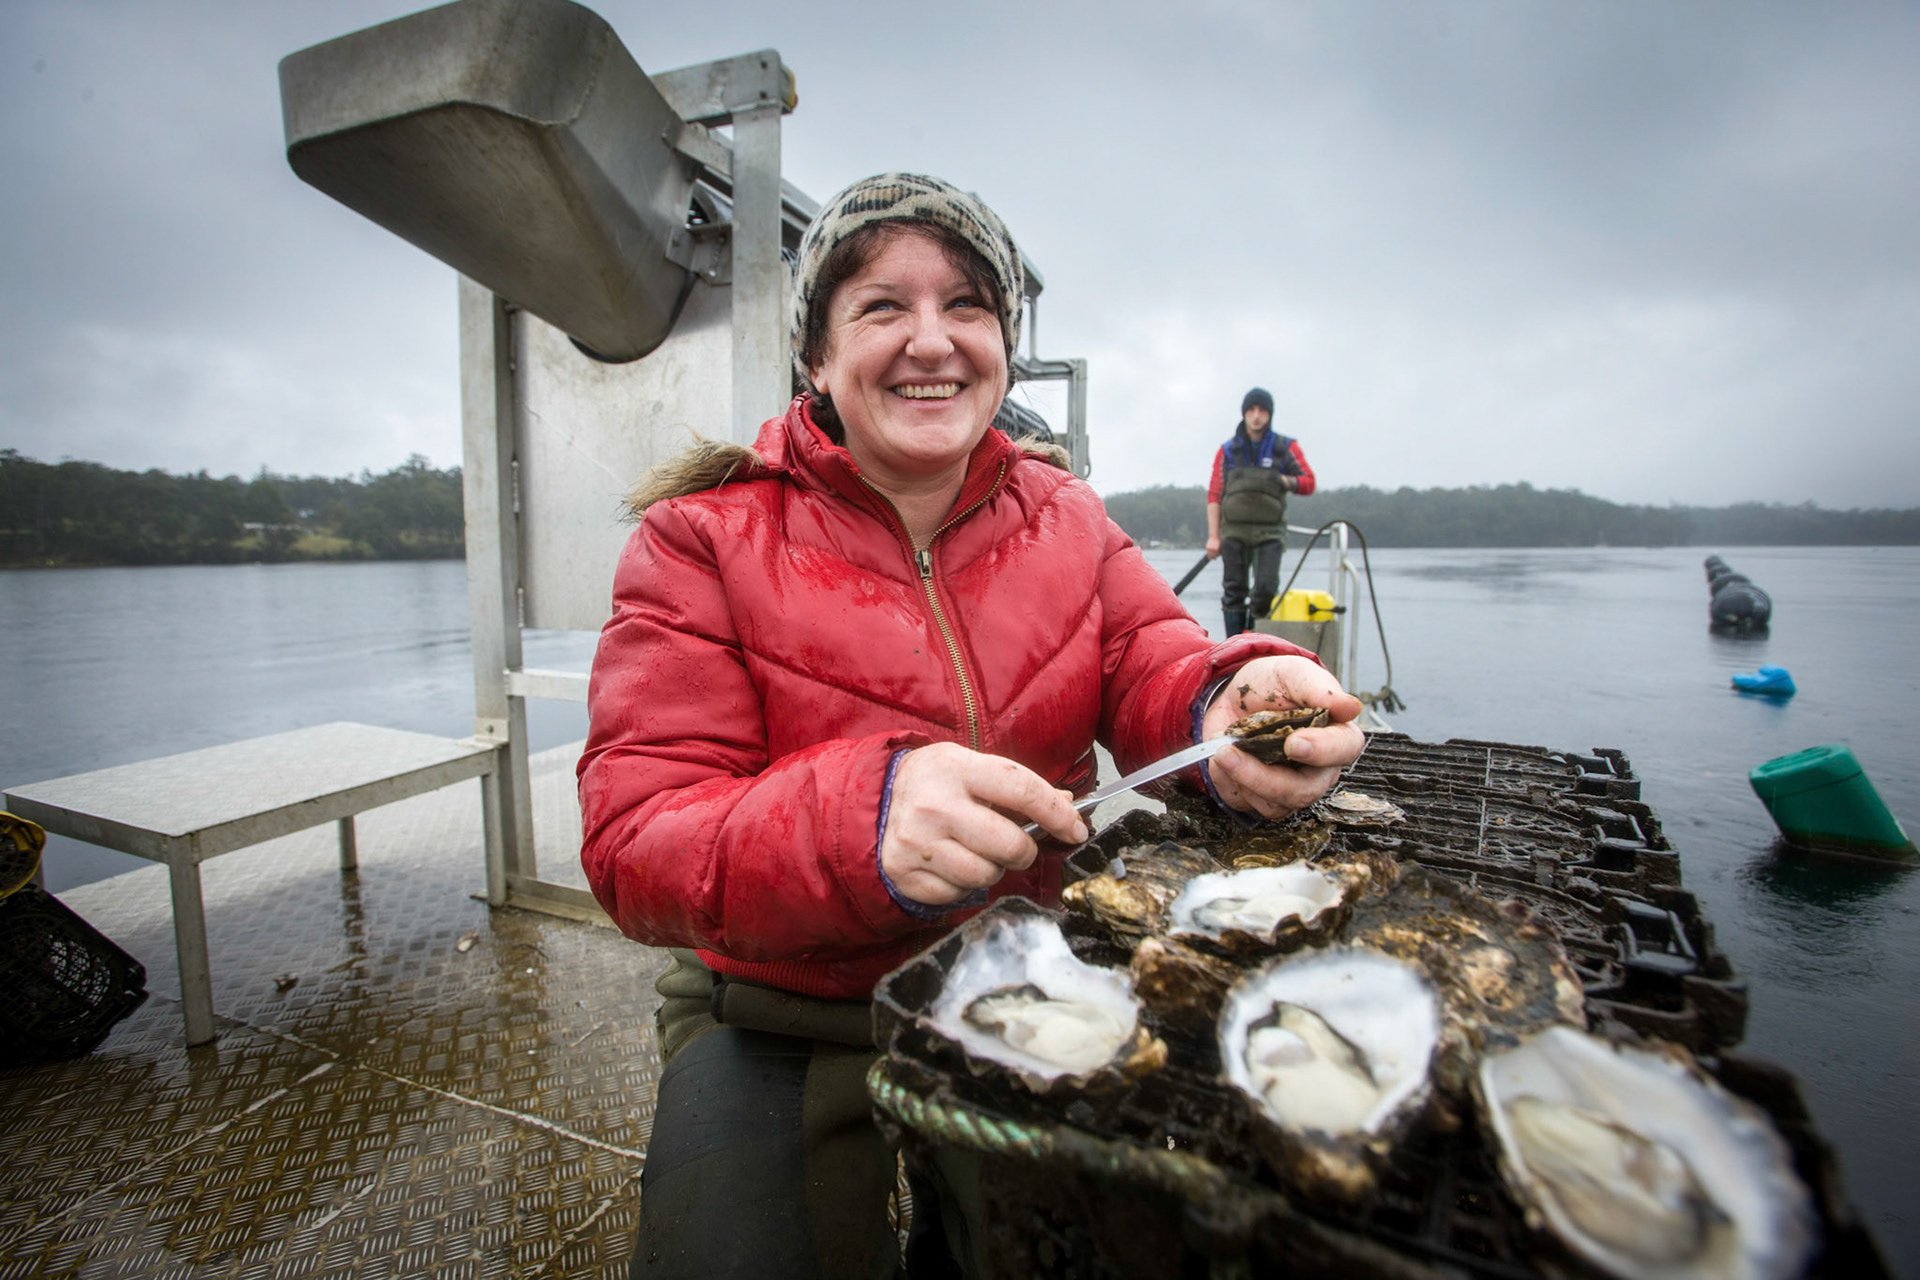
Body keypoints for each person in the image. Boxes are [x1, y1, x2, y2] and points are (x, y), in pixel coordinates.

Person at [577, 173, 1365, 1279]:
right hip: (777, 1002)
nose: (931, 341)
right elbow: (633, 839)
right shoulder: (697, 539)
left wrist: (1226, 701)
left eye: (967, 306)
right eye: (881, 306)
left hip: (1029, 973)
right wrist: (863, 819)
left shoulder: (1070, 516)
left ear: (1003, 341)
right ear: (816, 354)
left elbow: (1153, 660)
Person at [1205, 387, 1316, 636]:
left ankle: (1254, 641)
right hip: (1233, 531)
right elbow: (1214, 495)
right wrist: (1214, 536)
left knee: (1266, 589)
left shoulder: (1285, 447)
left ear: (1269, 415)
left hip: (1270, 533)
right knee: (1234, 591)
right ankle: (1234, 648)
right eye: (1251, 410)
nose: (1256, 416)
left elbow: (1309, 482)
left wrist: (1284, 481)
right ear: (1244, 414)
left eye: (1262, 411)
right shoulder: (1227, 451)